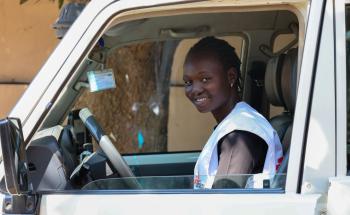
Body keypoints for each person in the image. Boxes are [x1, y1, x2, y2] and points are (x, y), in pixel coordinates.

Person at [183, 37, 283, 189]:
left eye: (205, 79)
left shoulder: (240, 133)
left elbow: (223, 201)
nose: (195, 89)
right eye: (188, 82)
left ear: (231, 77)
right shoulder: (234, 124)